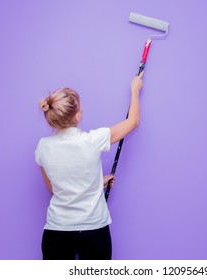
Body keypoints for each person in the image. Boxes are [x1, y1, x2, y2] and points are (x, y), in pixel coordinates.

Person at [35, 71, 144, 260]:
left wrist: (96, 183)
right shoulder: (94, 140)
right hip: (94, 232)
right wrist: (135, 90)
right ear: (77, 116)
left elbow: (55, 188)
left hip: (57, 232)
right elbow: (132, 122)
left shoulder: (42, 147)